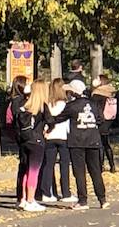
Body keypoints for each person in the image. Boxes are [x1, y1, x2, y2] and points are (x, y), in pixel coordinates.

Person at [59, 78, 105, 208]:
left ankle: (83, 200)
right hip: (93, 140)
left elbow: (58, 118)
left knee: (79, 172)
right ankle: (102, 199)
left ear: (74, 93)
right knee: (95, 170)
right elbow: (101, 119)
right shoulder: (93, 104)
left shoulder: (71, 106)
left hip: (77, 142)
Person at [8, 77, 44, 211]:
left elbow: (11, 120)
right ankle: (30, 199)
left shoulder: (14, 102)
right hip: (34, 139)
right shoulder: (32, 103)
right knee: (32, 171)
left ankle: (21, 198)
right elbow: (50, 119)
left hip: (22, 138)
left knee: (24, 168)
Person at [39, 77, 74, 205]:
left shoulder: (47, 104)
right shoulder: (66, 105)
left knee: (48, 165)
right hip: (63, 136)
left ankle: (47, 192)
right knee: (64, 165)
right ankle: (66, 192)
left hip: (50, 136)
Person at [93, 74, 118, 172]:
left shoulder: (98, 93)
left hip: (101, 120)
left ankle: (101, 165)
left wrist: (98, 120)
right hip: (109, 120)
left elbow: (96, 107)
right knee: (106, 143)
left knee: (100, 144)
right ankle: (112, 165)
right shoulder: (111, 91)